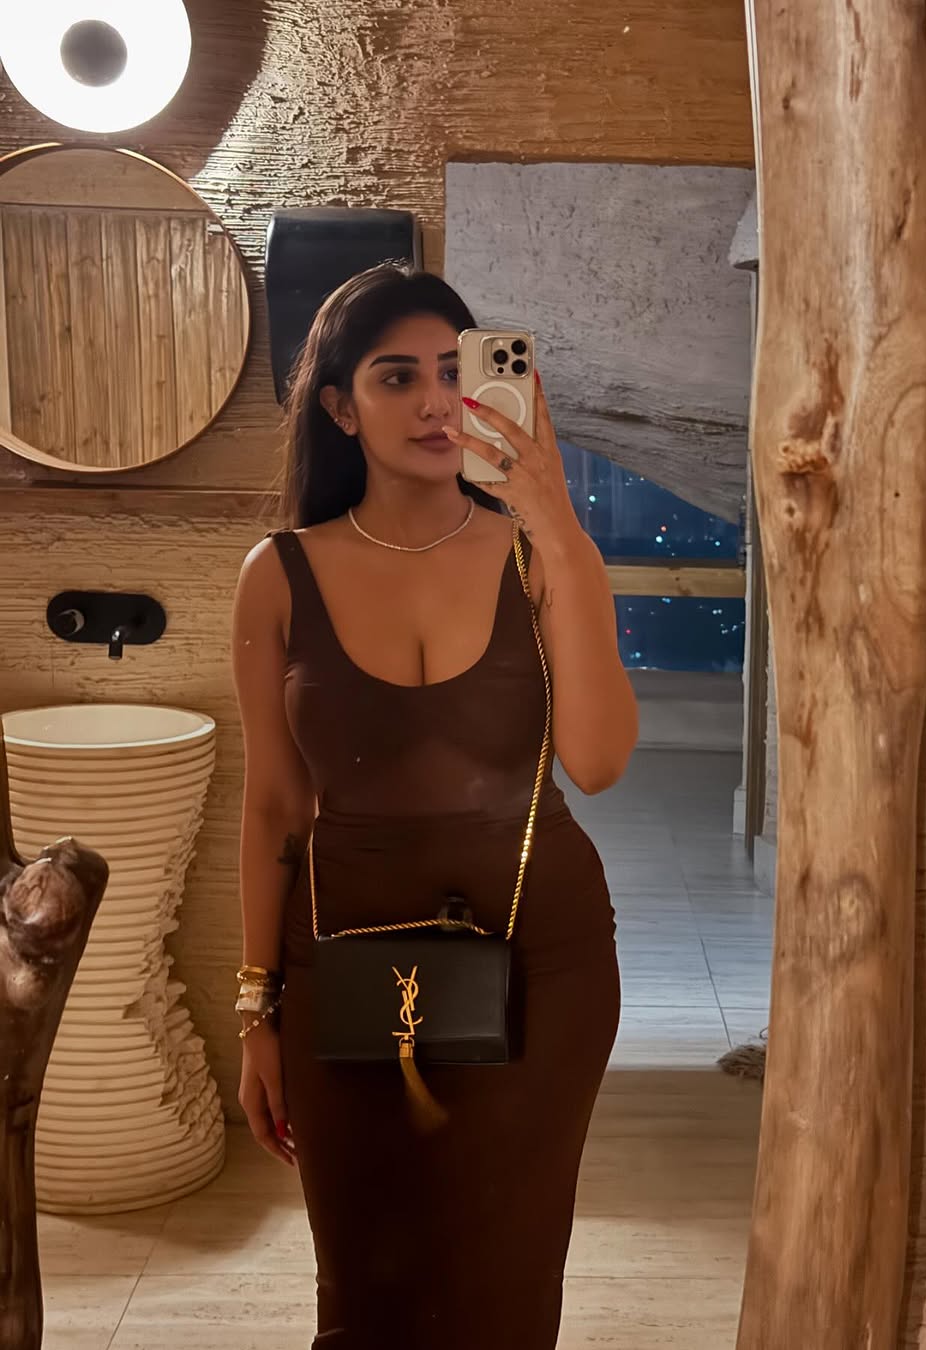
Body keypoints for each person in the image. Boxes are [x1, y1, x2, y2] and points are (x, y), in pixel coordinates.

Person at [230, 262, 638, 1348]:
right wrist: (255, 1012)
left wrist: (559, 525)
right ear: (340, 407)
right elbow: (272, 807)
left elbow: (598, 761)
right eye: (396, 376)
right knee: (363, 1290)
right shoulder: (278, 573)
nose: (432, 402)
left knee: (506, 1280)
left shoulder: (542, 557)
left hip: (542, 958)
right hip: (343, 953)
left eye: (455, 373)